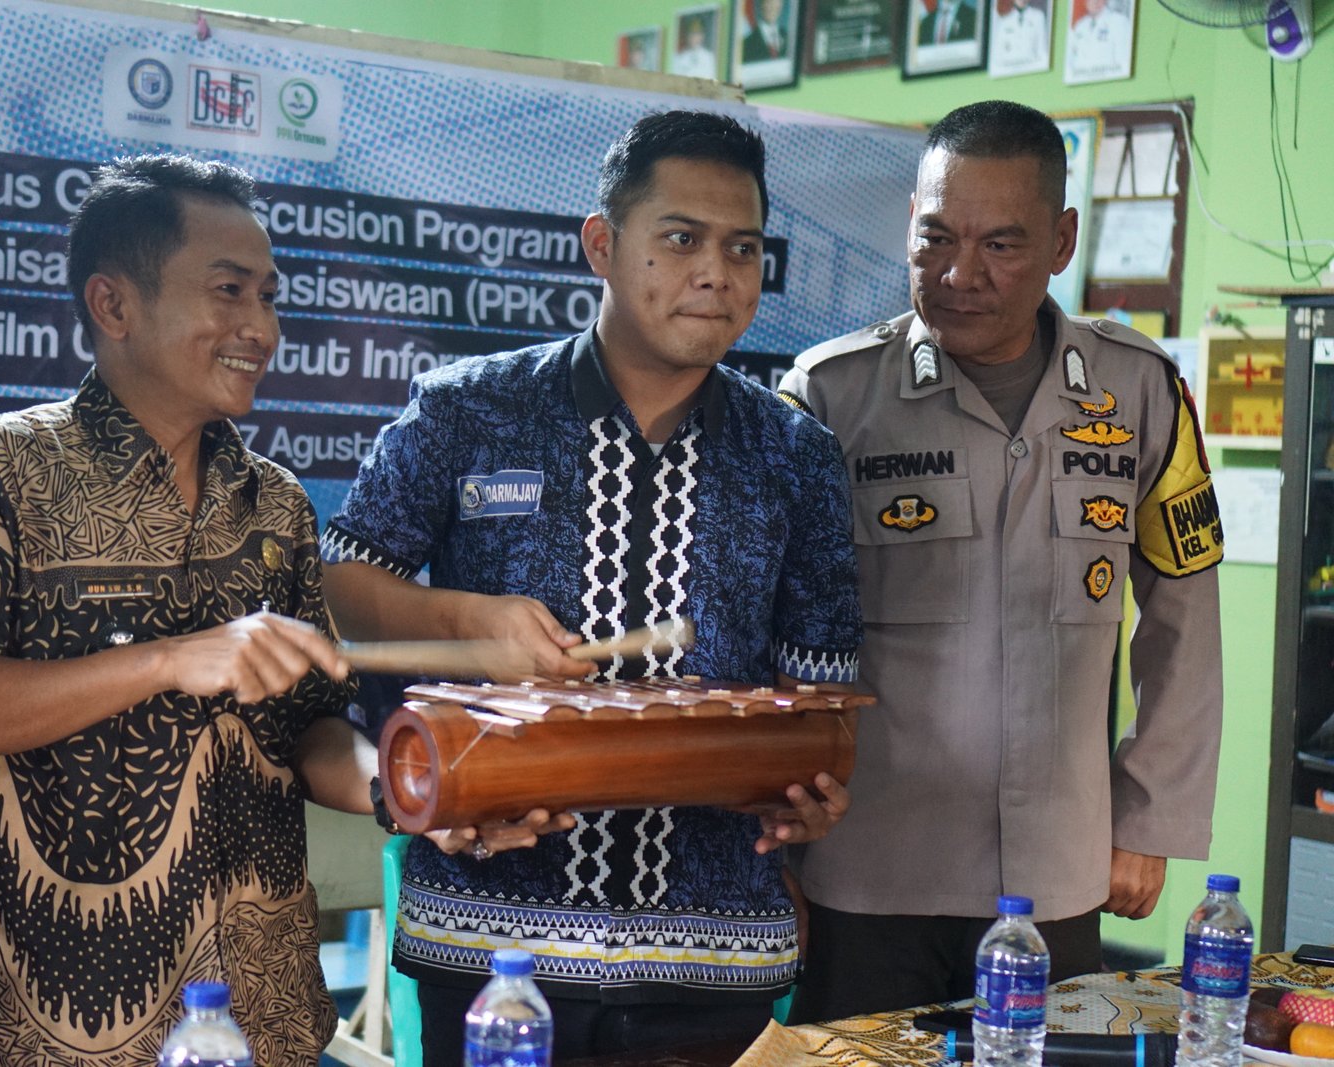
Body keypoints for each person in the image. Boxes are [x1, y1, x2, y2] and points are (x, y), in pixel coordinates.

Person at [0, 155, 495, 1067]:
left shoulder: (276, 503)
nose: (262, 327)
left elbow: (313, 730)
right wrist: (169, 658)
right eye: (229, 291)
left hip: (267, 1017)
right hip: (70, 1031)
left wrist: (405, 792)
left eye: (270, 297)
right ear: (113, 304)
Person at [321, 109, 863, 1064]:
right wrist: (466, 620)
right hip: (490, 949)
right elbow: (339, 581)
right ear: (602, 246)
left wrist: (813, 785)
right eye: (682, 239)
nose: (717, 273)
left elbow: (823, 688)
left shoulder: (796, 454)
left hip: (714, 964)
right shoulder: (468, 409)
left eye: (743, 248)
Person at [777, 99, 1223, 1022]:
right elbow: (764, 628)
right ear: (909, 221)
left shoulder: (1139, 390)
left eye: (1000, 246)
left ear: (1060, 242)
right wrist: (775, 851)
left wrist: (1148, 818)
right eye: (936, 238)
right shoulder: (829, 395)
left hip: (1058, 875)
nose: (958, 274)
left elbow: (1185, 613)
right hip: (868, 875)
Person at [1065, 0, 1133, 81]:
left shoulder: (1119, 21)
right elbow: (1071, 59)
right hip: (1081, 82)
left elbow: (1124, 62)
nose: (1095, 2)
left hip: (1107, 82)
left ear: (1105, 1)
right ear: (1085, 2)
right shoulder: (1080, 25)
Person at [988, 0, 1050, 75]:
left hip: (1032, 68)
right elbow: (997, 55)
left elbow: (1042, 51)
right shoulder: (1004, 19)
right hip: (1007, 70)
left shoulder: (1038, 16)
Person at [671, 15, 720, 79]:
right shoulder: (680, 57)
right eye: (691, 34)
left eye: (697, 34)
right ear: (687, 36)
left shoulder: (709, 57)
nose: (694, 38)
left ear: (702, 36)